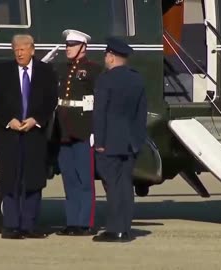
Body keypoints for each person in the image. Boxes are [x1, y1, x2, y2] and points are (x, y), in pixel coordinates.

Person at [0, 34, 58, 239]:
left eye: (23, 48)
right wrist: (10, 119)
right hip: (9, 133)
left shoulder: (45, 72)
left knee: (33, 179)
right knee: (10, 179)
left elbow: (51, 99)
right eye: (15, 49)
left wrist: (35, 119)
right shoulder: (3, 71)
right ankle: (11, 225)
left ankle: (29, 225)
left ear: (32, 50)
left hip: (34, 133)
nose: (19, 52)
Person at [92, 37, 147, 243]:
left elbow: (100, 113)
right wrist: (138, 140)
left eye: (107, 55)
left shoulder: (106, 79)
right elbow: (141, 113)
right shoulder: (137, 78)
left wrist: (99, 141)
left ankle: (115, 230)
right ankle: (125, 227)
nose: (105, 59)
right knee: (125, 185)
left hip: (109, 140)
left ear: (112, 57)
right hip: (131, 140)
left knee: (113, 186)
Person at [55, 29, 102, 236]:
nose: (68, 48)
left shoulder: (93, 70)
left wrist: (95, 130)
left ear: (83, 48)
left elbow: (99, 103)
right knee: (69, 179)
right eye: (67, 45)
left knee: (85, 180)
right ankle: (72, 222)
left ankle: (85, 223)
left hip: (84, 129)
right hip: (64, 130)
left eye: (72, 45)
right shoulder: (62, 70)